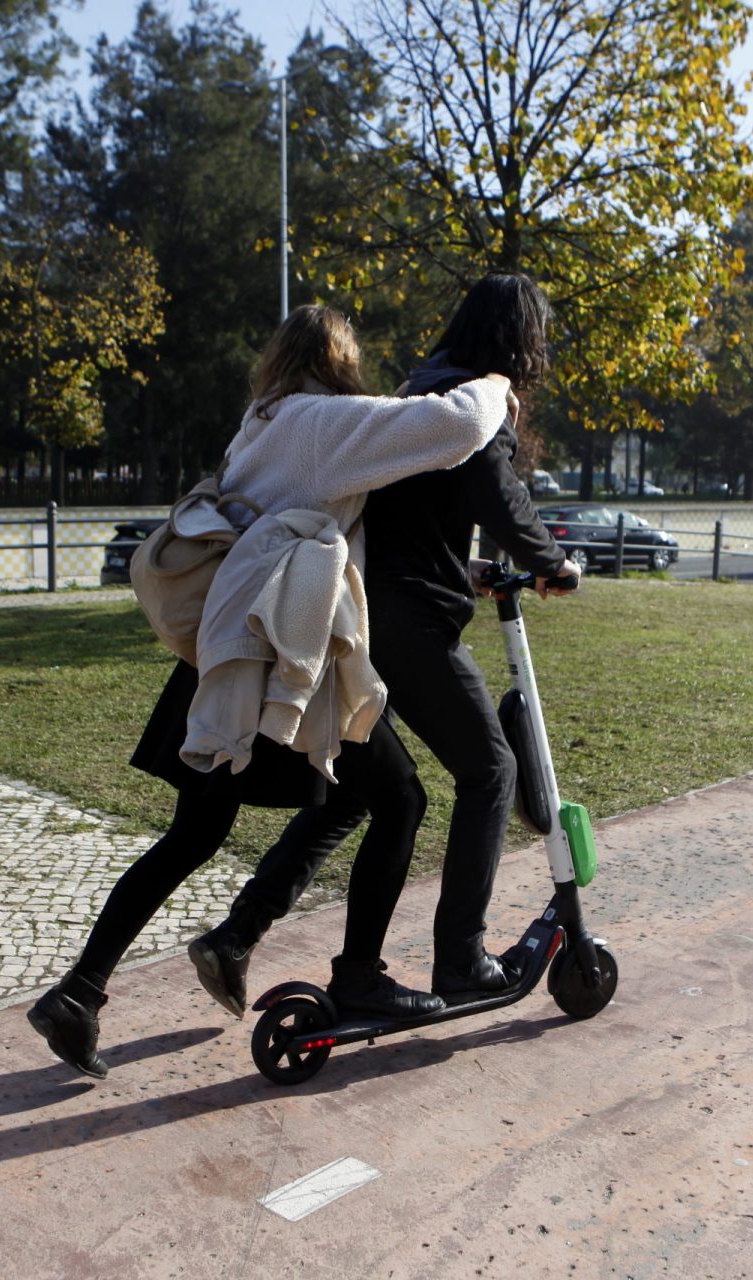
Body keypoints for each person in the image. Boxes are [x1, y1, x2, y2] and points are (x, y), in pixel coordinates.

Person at [27, 305, 515, 1079]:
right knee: (400, 797)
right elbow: (451, 427)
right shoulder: (320, 424)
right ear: (336, 358)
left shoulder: (258, 423)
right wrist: (495, 381)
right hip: (278, 660)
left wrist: (468, 572)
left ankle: (80, 992)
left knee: (196, 836)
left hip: (225, 657)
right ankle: (359, 975)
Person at [364, 273, 580, 998]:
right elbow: (502, 497)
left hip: (368, 607)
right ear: (521, 338)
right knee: (492, 771)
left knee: (369, 793)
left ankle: (244, 930)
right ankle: (461, 959)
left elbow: (414, 518)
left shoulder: (418, 390)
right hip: (413, 617)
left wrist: (473, 568)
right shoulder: (476, 402)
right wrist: (552, 565)